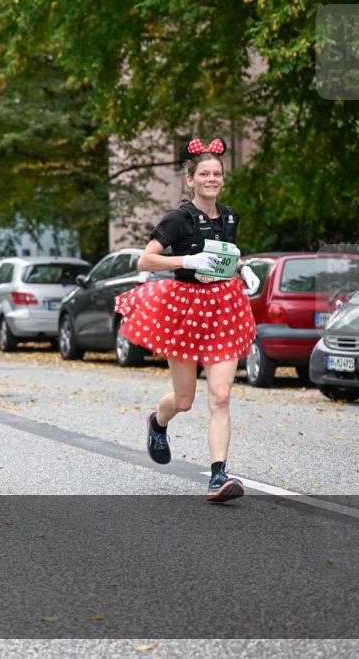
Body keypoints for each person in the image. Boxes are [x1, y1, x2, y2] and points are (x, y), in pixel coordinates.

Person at [114, 137, 260, 503]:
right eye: (204, 174)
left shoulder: (229, 216)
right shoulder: (178, 219)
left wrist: (244, 269)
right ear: (191, 180)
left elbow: (225, 256)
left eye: (217, 174)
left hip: (224, 308)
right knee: (183, 400)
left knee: (222, 396)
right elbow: (145, 261)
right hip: (186, 310)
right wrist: (185, 262)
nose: (212, 179)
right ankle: (157, 422)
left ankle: (218, 476)